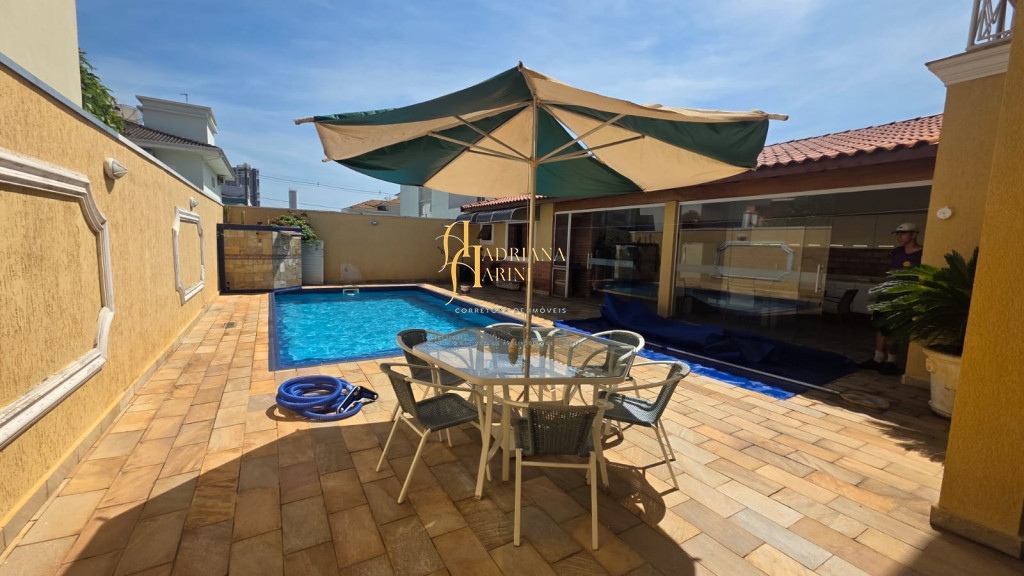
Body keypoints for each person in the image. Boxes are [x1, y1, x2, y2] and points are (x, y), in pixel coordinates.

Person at [862, 222, 923, 375]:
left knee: (892, 328)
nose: (899, 237)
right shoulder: (897, 251)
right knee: (880, 325)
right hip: (887, 292)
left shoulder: (922, 253)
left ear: (914, 235)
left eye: (903, 234)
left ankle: (891, 361)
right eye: (897, 234)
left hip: (904, 296)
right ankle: (878, 358)